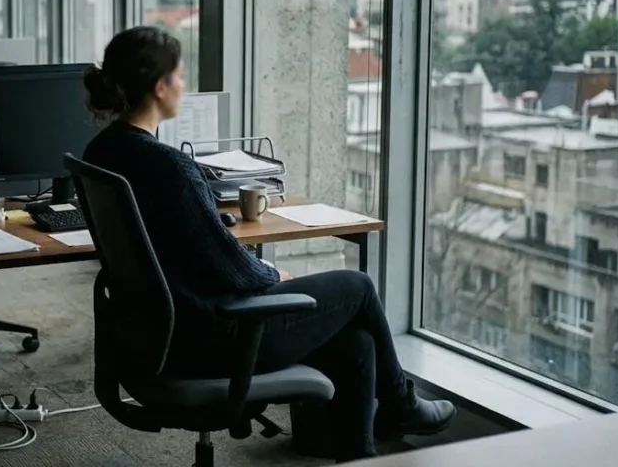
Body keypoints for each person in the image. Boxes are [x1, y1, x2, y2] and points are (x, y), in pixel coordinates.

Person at [81, 26, 455, 461]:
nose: (184, 84)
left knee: (358, 346)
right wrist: (274, 273)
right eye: (180, 75)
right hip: (211, 338)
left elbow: (168, 239)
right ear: (160, 85)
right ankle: (402, 404)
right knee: (358, 287)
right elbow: (230, 268)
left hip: (155, 333)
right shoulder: (170, 166)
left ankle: (361, 454)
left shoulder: (101, 152)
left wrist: (208, 222)